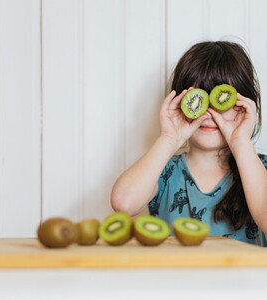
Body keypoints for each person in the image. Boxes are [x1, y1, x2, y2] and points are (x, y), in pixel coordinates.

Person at [111, 41, 267, 246]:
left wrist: (240, 142)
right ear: (181, 104)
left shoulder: (259, 170)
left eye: (220, 101)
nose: (209, 114)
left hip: (245, 278)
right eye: (199, 99)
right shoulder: (164, 171)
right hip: (178, 278)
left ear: (243, 106)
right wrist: (169, 138)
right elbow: (124, 204)